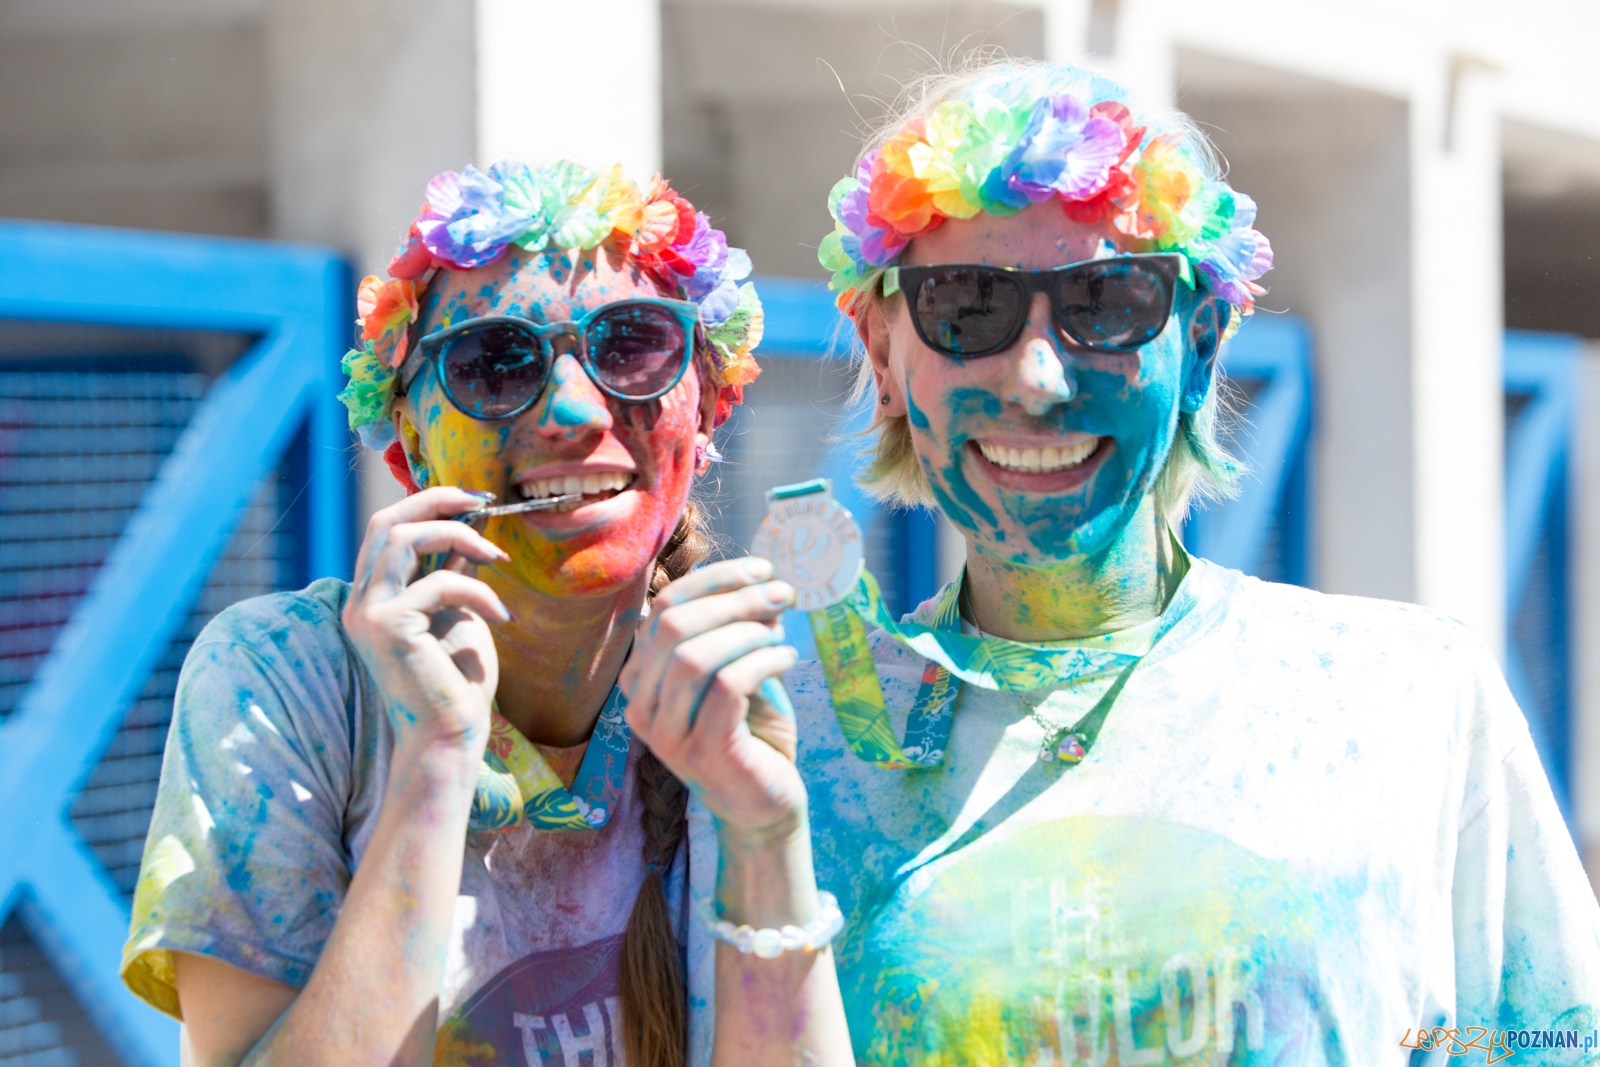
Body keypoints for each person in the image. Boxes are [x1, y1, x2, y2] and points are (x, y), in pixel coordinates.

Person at [649, 60, 1600, 1062]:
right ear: (883, 356)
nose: (1037, 376)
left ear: (1200, 342)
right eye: (967, 305)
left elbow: (1548, 1039)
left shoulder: (1407, 695)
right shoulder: (779, 755)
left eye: (1107, 302)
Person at [119, 160, 849, 1066]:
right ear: (411, 442)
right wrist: (433, 761)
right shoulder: (285, 680)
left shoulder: (760, 705)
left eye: (632, 345)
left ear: (704, 415)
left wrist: (764, 830)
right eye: (494, 364)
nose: (574, 410)